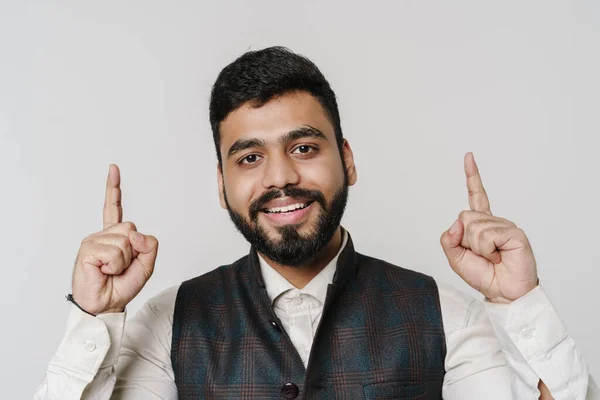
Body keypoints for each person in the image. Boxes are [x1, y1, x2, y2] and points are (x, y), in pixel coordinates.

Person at [34, 47, 598, 400]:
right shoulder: (167, 323)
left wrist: (520, 304)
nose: (280, 177)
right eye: (250, 157)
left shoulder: (447, 316)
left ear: (347, 158)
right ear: (222, 181)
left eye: (303, 146)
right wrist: (96, 319)